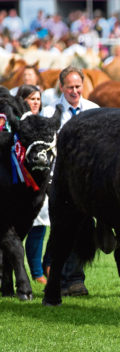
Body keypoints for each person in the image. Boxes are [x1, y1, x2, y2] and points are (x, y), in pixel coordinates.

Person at [41, 66, 100, 296]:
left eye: (78, 87)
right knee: (60, 229)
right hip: (58, 180)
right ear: (61, 87)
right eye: (69, 87)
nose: (74, 91)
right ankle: (60, 276)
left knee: (83, 227)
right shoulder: (50, 113)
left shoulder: (94, 110)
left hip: (86, 181)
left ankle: (74, 278)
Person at [15, 85, 47, 284]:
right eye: (31, 98)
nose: (35, 102)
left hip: (39, 184)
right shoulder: (12, 122)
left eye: (38, 98)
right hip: (16, 182)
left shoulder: (44, 123)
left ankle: (37, 272)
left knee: (40, 225)